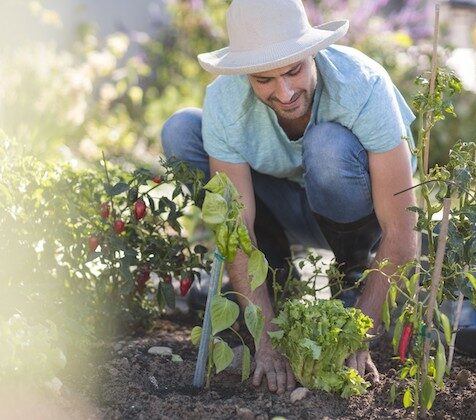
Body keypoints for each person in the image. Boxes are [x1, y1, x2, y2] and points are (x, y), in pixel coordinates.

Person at [161, 0, 418, 394]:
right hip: (284, 210)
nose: (283, 93)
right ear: (245, 72)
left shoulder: (363, 85)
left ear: (311, 52)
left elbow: (402, 230)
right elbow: (236, 231)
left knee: (327, 145)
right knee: (181, 131)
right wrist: (265, 338)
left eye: (294, 70)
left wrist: (360, 331)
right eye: (263, 80)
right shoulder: (226, 101)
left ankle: (352, 273)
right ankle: (277, 275)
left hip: (355, 211)